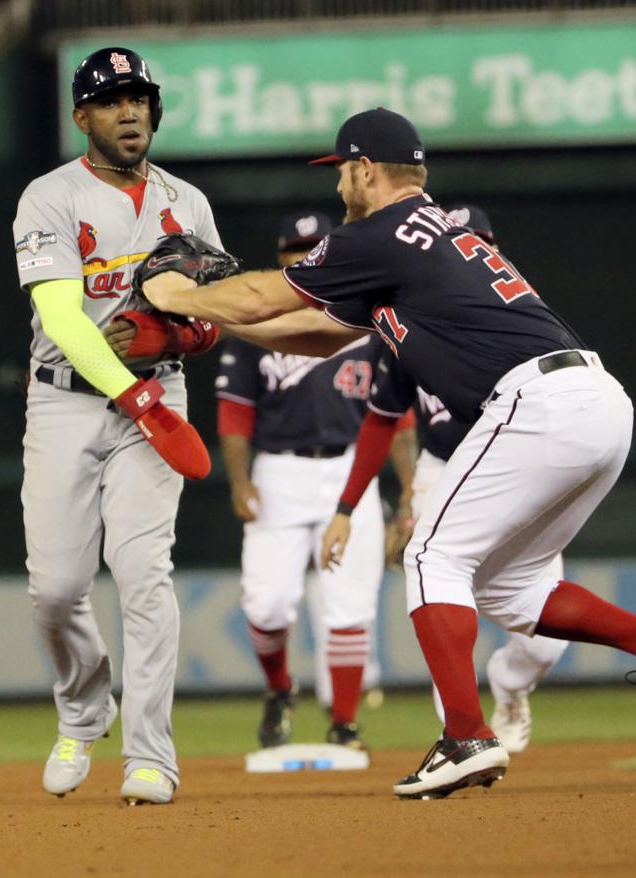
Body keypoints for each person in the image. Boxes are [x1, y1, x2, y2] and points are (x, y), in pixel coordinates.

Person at [138, 107, 636, 800]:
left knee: (429, 555)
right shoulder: (422, 236)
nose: (338, 189)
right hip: (595, 404)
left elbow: (266, 294)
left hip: (539, 406)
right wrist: (210, 312)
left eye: (341, 173)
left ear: (364, 169)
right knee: (511, 586)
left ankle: (467, 736)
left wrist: (174, 293)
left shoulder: (380, 230)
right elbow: (319, 334)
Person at [13, 46, 221, 806]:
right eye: (110, 100)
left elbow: (213, 314)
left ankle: (151, 757)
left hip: (159, 394)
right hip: (67, 400)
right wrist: (131, 396)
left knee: (143, 576)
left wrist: (175, 340)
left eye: (138, 98)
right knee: (57, 589)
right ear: (82, 117)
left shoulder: (187, 202)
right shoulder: (49, 197)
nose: (129, 111)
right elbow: (64, 320)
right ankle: (82, 707)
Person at [321, 203, 568, 754]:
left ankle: (508, 681)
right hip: (442, 465)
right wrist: (358, 506)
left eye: (474, 241)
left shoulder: (520, 319)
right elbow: (382, 421)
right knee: (438, 585)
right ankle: (462, 735)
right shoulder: (412, 325)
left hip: (520, 466)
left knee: (546, 642)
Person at [215, 210, 396, 751]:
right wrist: (239, 480)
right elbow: (234, 411)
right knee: (265, 604)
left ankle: (344, 724)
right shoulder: (256, 325)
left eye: (315, 247)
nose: (307, 256)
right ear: (282, 261)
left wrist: (409, 489)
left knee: (350, 605)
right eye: (296, 249)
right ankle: (279, 689)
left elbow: (399, 415)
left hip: (350, 469)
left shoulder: (367, 319)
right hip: (279, 472)